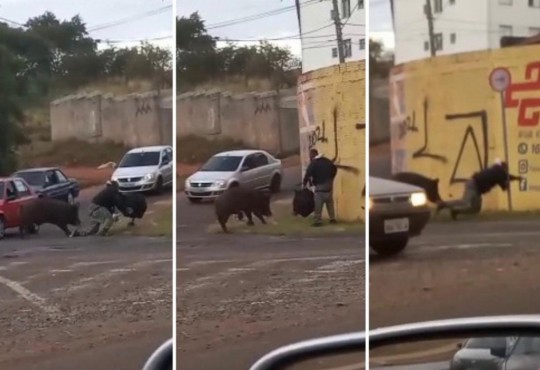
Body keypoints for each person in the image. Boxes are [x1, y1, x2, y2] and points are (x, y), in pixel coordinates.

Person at [438, 159, 522, 220]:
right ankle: (443, 204)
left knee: (476, 208)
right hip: (474, 185)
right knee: (465, 202)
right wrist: (508, 183)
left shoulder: (496, 171)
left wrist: (515, 179)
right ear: (504, 168)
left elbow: (507, 177)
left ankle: (456, 211)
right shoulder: (499, 173)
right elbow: (504, 185)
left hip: (477, 189)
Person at [302, 149, 338, 227]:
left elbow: (307, 174)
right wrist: (331, 179)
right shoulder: (327, 161)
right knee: (330, 203)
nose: (310, 157)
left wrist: (304, 184)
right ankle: (332, 218)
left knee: (318, 205)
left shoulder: (314, 163)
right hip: (329, 186)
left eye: (310, 156)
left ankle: (318, 221)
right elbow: (334, 168)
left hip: (320, 188)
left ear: (313, 155)